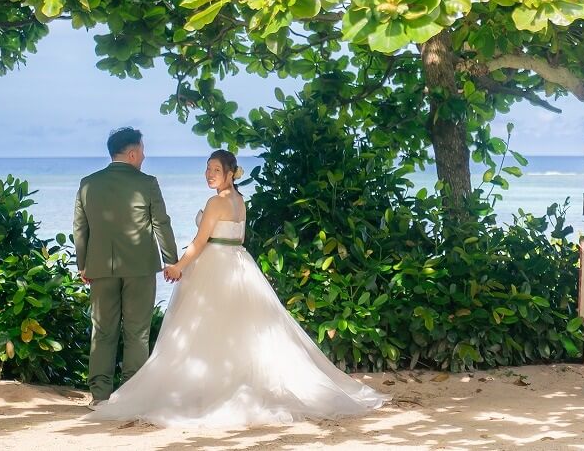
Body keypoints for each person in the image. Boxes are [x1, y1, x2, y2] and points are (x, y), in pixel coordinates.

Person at [84, 149, 388, 428]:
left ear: (231, 173)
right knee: (237, 332)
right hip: (238, 264)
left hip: (215, 266)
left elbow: (201, 242)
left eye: (215, 169)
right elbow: (236, 239)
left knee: (203, 332)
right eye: (206, 168)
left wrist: (177, 266)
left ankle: (201, 388)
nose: (209, 174)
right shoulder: (239, 200)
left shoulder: (216, 202)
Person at [73, 127, 178, 405]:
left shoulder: (87, 184)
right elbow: (161, 224)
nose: (144, 155)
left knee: (102, 330)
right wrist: (171, 260)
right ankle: (131, 394)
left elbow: (80, 229)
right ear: (132, 153)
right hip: (140, 268)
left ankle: (99, 396)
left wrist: (82, 264)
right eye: (142, 150)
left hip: (100, 268)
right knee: (137, 332)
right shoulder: (147, 183)